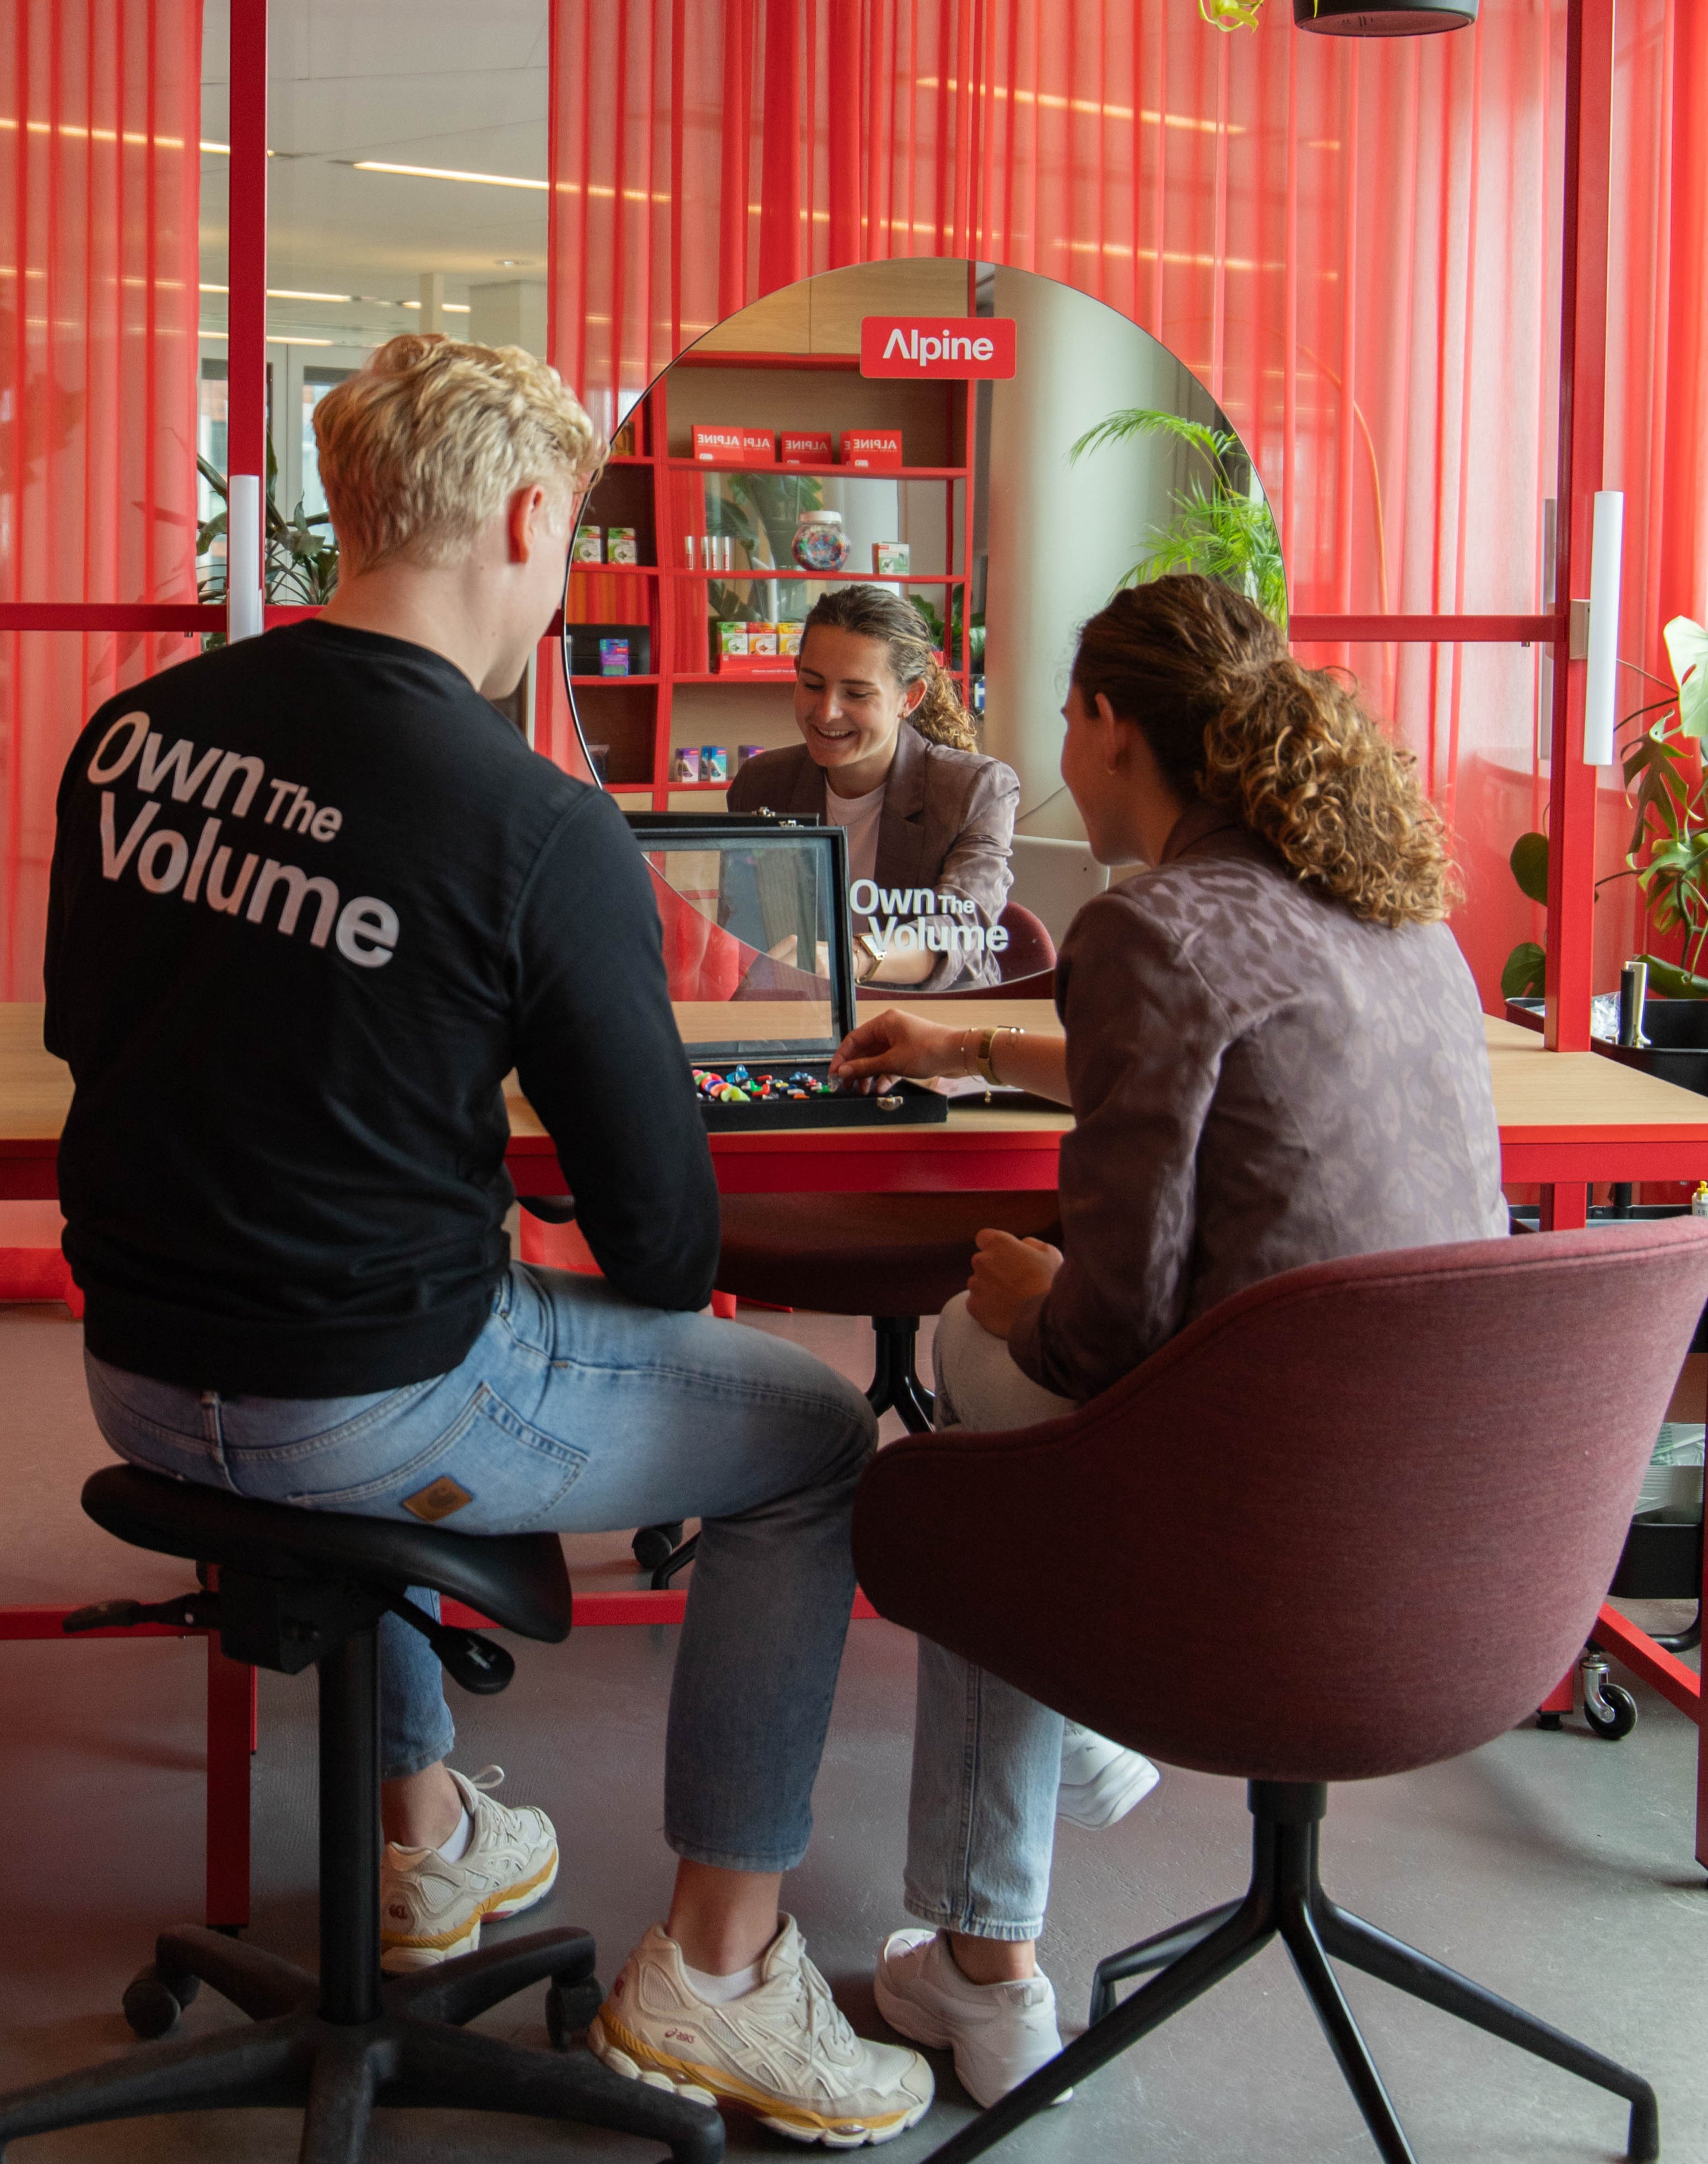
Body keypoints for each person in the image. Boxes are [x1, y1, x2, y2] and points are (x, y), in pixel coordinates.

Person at [45, 335, 934, 2149]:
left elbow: (113, 1040)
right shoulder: (534, 822)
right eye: (566, 542)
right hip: (365, 1398)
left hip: (138, 1380)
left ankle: (428, 1841)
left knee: (364, 1339)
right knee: (815, 1440)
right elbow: (669, 1247)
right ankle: (720, 1961)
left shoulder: (130, 738)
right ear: (527, 517)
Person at [830, 573, 1509, 2111]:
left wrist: (1022, 1301)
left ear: (1108, 724)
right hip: (1450, 1537)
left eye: (1066, 720)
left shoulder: (1149, 924)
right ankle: (1028, 1839)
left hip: (1251, 1526)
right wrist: (970, 1039)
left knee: (969, 1384)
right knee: (1004, 1399)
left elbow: (1108, 1329)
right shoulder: (1393, 914)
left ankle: (992, 1951)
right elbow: (1220, 1060)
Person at [728, 584, 1020, 991]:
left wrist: (854, 958)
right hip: (803, 1024)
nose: (828, 711)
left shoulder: (976, 789)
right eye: (813, 685)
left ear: (910, 698)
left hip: (937, 1029)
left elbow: (959, 928)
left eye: (857, 693)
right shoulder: (762, 784)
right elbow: (739, 925)